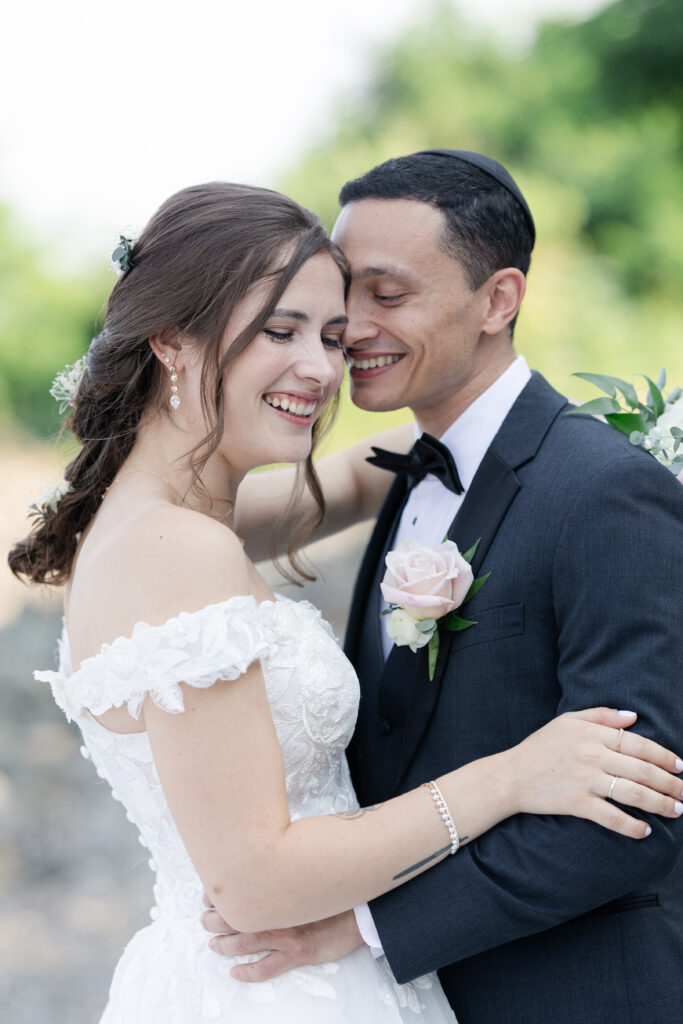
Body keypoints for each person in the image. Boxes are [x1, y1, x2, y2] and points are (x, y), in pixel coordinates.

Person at [9, 181, 682, 1024]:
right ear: (171, 341)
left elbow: (383, 466)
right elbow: (254, 878)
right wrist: (511, 776)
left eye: (334, 333)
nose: (325, 365)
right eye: (280, 331)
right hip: (279, 985)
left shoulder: (176, 514)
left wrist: (559, 432)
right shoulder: (178, 548)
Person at [202, 154, 683, 1024]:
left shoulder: (605, 491)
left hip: (572, 993)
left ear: (498, 300)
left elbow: (639, 809)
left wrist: (364, 924)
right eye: (347, 293)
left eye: (387, 295)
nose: (350, 326)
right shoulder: (407, 469)